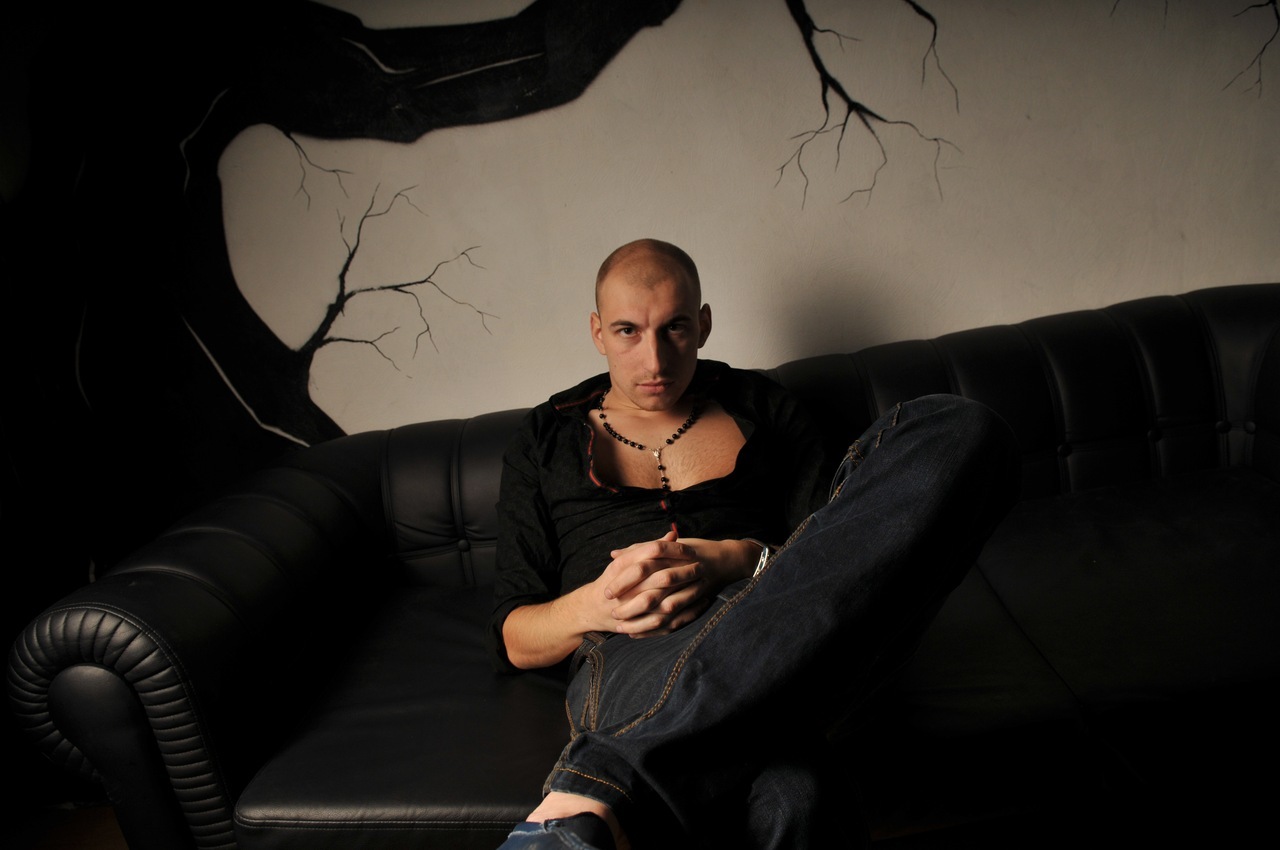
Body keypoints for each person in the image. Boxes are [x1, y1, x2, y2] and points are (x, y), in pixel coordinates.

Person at [489, 239, 1019, 849]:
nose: (654, 359)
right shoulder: (544, 437)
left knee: (961, 426)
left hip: (782, 626)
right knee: (796, 790)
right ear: (597, 332)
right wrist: (597, 605)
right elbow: (513, 636)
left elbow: (839, 557)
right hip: (633, 652)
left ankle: (596, 789)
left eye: (675, 328)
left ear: (704, 324)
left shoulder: (765, 407)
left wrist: (744, 559)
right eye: (628, 331)